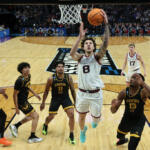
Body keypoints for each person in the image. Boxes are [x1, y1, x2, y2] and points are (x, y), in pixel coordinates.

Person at [70, 9, 109, 143]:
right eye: (86, 43)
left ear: (93, 47)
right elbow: (71, 54)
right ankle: (82, 131)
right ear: (83, 46)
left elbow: (105, 44)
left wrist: (106, 24)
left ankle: (95, 120)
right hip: (82, 94)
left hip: (96, 94)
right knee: (80, 117)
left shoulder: (97, 57)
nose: (88, 44)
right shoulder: (80, 58)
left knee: (96, 119)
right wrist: (80, 37)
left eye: (90, 43)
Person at [111, 73, 150, 150]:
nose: (132, 79)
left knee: (131, 147)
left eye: (135, 78)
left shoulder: (143, 92)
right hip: (127, 119)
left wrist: (143, 83)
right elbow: (113, 111)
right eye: (132, 77)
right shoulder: (123, 92)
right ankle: (122, 139)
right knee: (119, 135)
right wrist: (113, 106)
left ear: (140, 81)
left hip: (138, 121)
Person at [40, 61, 76, 144]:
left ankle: (71, 134)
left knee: (71, 114)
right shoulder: (51, 79)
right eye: (58, 66)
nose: (60, 68)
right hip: (55, 99)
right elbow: (46, 91)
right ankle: (45, 124)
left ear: (64, 68)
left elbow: (73, 90)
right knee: (51, 116)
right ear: (56, 68)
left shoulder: (68, 77)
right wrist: (43, 102)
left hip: (65, 98)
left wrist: (75, 101)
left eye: (62, 66)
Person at [9, 62, 43, 143]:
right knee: (36, 116)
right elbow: (14, 95)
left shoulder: (28, 76)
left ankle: (15, 126)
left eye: (28, 67)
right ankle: (32, 136)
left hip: (25, 100)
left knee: (31, 117)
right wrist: (16, 108)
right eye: (25, 68)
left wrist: (35, 94)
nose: (27, 69)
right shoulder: (19, 81)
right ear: (21, 70)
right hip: (22, 102)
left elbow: (28, 86)